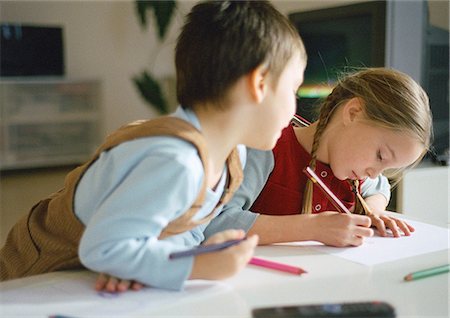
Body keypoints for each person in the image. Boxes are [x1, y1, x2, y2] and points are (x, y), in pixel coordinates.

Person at [0, 0, 307, 291]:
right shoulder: (174, 161)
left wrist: (158, 260)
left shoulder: (232, 156)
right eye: (293, 89)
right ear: (260, 83)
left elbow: (182, 227)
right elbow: (103, 249)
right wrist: (199, 266)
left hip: (89, 275)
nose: (294, 110)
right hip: (38, 270)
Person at [204, 67, 433, 247]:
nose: (374, 172)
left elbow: (380, 187)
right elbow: (213, 223)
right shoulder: (266, 148)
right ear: (353, 113)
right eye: (380, 156)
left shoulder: (355, 171)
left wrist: (373, 210)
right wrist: (311, 228)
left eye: (386, 167)